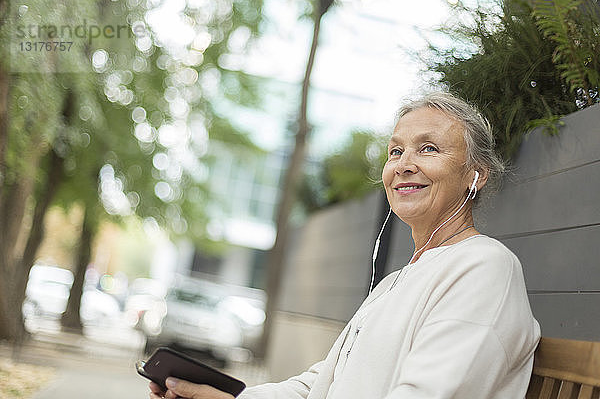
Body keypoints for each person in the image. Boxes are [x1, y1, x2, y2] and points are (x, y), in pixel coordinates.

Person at [149, 92, 541, 399]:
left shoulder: (485, 268)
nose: (403, 164)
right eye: (396, 150)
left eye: (428, 148)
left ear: (476, 175)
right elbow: (320, 385)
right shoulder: (396, 282)